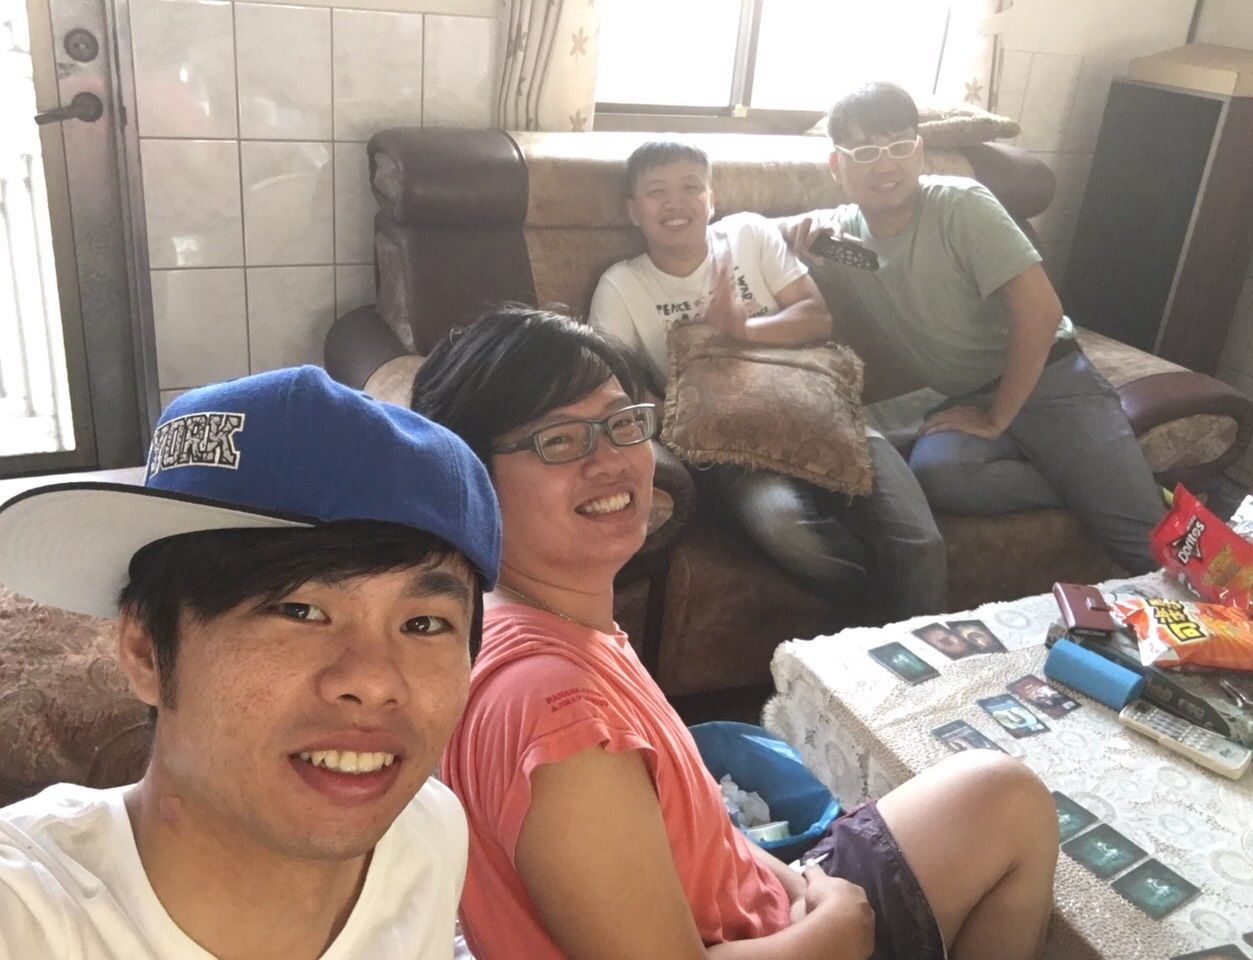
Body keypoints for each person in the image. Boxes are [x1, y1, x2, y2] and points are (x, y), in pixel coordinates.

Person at [411, 306, 1060, 960]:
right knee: (1012, 808)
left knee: (995, 790)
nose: (610, 460)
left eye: (622, 422)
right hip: (784, 942)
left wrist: (801, 880)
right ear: (470, 477)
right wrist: (833, 931)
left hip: (766, 914)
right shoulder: (561, 724)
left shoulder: (520, 622)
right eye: (559, 440)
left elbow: (696, 842)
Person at [0, 365, 502, 959]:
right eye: (299, 610)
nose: (373, 681)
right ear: (144, 650)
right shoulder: (28, 917)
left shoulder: (426, 833)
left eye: (424, 624)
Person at [782, 82, 1165, 574]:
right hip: (962, 397)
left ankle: (1113, 489)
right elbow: (752, 236)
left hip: (1051, 383)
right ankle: (1096, 481)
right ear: (837, 165)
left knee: (1146, 549)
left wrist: (996, 419)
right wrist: (792, 233)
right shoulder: (839, 234)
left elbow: (1041, 313)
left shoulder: (962, 205)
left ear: (919, 151)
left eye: (900, 146)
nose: (886, 165)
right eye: (866, 151)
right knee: (942, 477)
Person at [589, 138, 947, 620]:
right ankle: (880, 626)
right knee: (787, 531)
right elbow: (615, 390)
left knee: (918, 542)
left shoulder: (750, 235)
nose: (676, 203)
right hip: (729, 444)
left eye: (691, 187)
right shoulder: (621, 284)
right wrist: (684, 407)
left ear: (711, 199)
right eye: (656, 192)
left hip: (820, 412)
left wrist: (740, 333)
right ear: (634, 211)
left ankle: (894, 651)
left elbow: (816, 317)